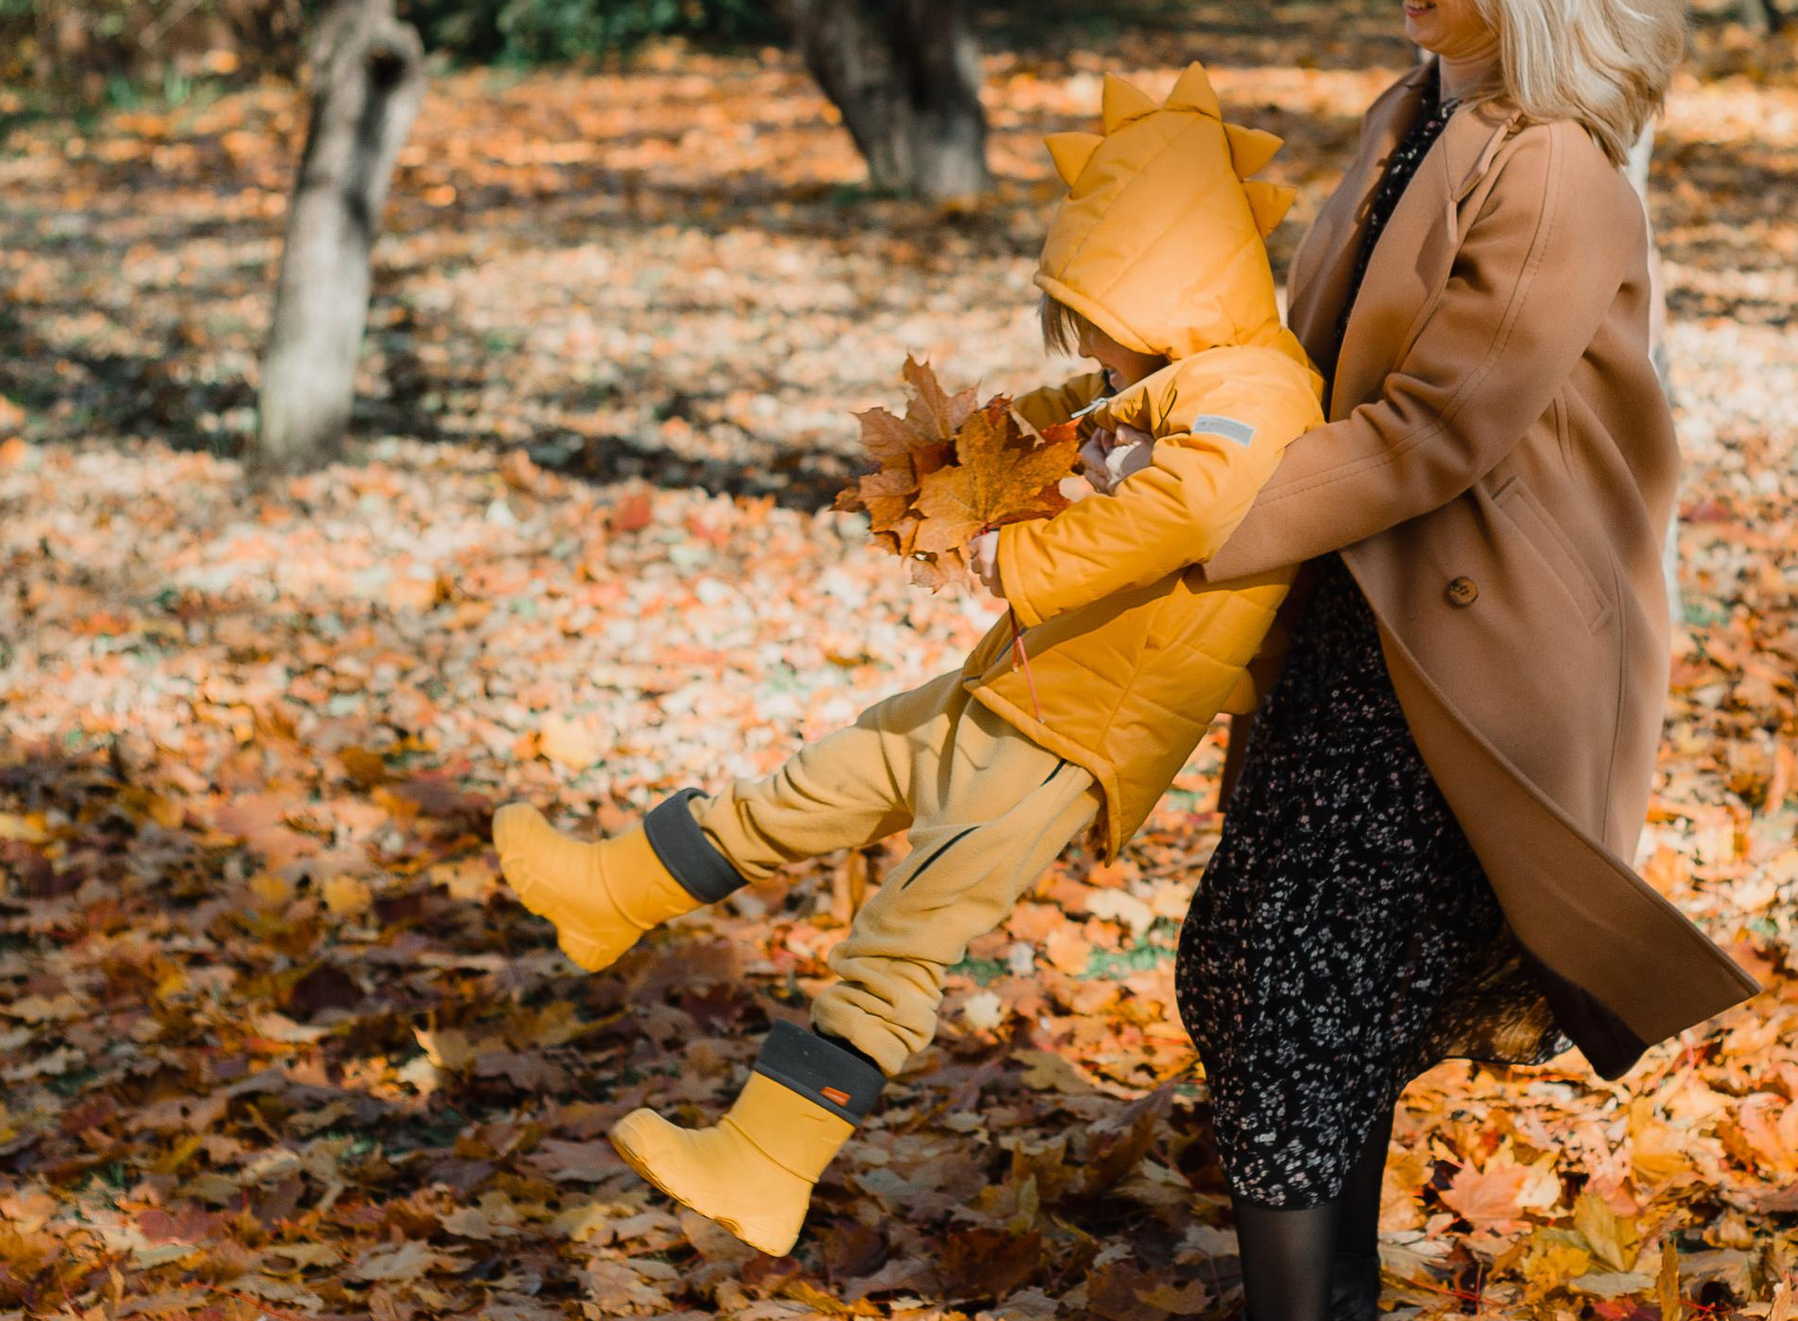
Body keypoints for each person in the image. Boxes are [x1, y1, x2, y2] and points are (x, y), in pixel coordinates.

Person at [1152, 0, 1753, 1321]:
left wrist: (1208, 524)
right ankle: (1329, 1304)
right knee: (1264, 961)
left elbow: (1436, 430)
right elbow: (1307, 350)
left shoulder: (1556, 171)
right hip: (1355, 620)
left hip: (1472, 650)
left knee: (1290, 983)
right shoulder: (1415, 112)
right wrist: (1169, 441)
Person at [492, 67, 1319, 1259]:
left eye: (1090, 322)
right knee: (819, 782)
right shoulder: (1160, 386)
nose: (1083, 352)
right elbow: (1070, 437)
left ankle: (767, 1161)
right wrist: (974, 464)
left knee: (905, 934)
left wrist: (1024, 560)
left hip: (1069, 737)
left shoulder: (1254, 397)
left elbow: (1188, 510)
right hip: (1022, 686)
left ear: (1162, 280)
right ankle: (611, 891)